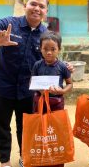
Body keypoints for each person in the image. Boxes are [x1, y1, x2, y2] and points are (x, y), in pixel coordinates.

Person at [0, 0, 73, 167]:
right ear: (25, 5)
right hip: (1, 88)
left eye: (42, 6)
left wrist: (65, 66)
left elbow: (51, 59)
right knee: (1, 127)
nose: (37, 9)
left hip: (28, 92)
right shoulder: (7, 24)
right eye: (33, 4)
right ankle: (5, 162)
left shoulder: (46, 35)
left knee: (27, 128)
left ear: (46, 11)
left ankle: (25, 158)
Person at [31, 31, 72, 167]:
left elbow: (70, 83)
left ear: (59, 50)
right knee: (41, 129)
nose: (49, 52)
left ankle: (57, 159)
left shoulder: (62, 67)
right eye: (45, 49)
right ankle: (42, 157)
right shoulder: (37, 65)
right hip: (40, 101)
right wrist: (39, 90)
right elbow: (33, 82)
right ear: (40, 49)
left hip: (57, 103)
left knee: (56, 130)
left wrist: (62, 90)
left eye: (53, 49)